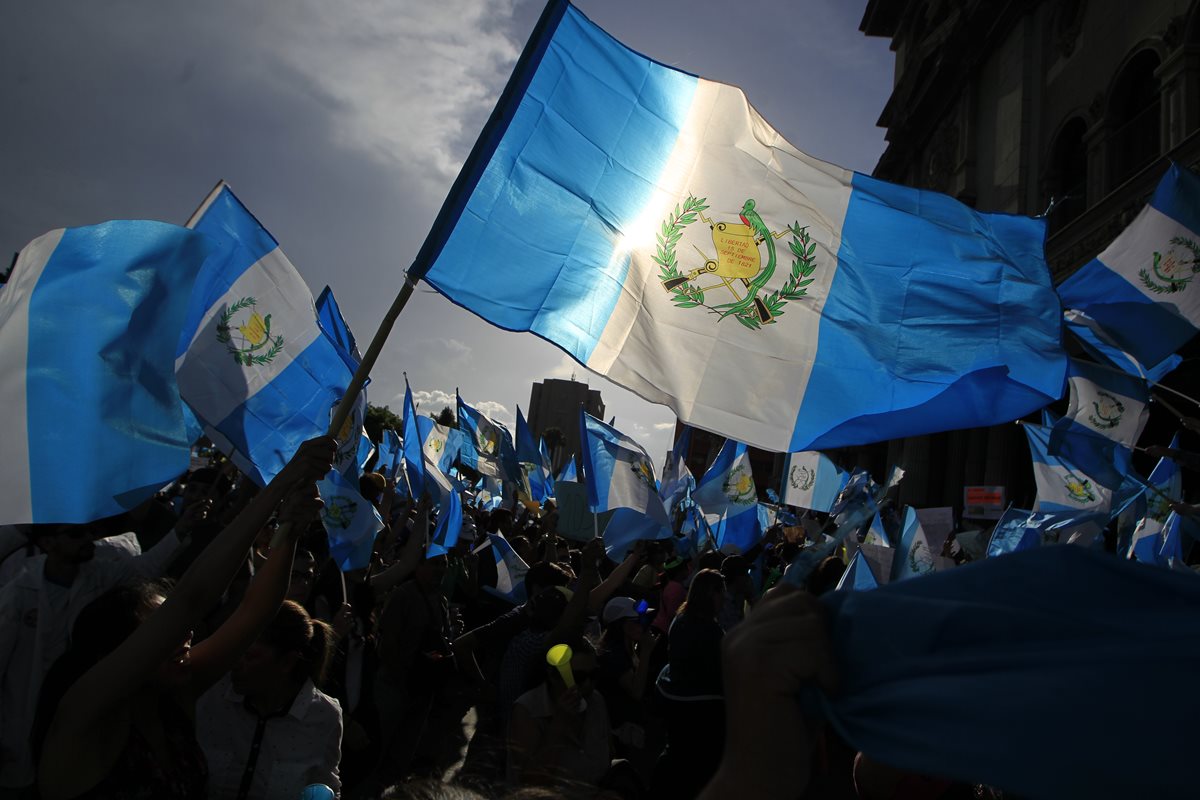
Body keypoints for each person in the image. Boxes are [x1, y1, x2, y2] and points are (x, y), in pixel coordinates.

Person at [34, 436, 335, 800]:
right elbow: (191, 601)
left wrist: (290, 529)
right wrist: (281, 484)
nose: (187, 633)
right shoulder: (84, 716)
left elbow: (255, 614)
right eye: (163, 628)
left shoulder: (172, 699)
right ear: (119, 650)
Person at [0, 504, 203, 796]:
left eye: (88, 532)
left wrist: (180, 530)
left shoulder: (100, 575)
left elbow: (145, 570)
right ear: (47, 543)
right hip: (22, 716)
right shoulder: (20, 592)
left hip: (76, 707)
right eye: (74, 534)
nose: (86, 539)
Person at [196, 600, 343, 800]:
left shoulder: (324, 717)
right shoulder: (213, 694)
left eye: (250, 656)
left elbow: (326, 786)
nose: (237, 663)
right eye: (236, 651)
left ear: (287, 662)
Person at [651, 568, 726, 799]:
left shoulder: (681, 618)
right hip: (700, 708)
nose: (724, 598)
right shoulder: (709, 630)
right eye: (721, 593)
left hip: (675, 700)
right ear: (711, 594)